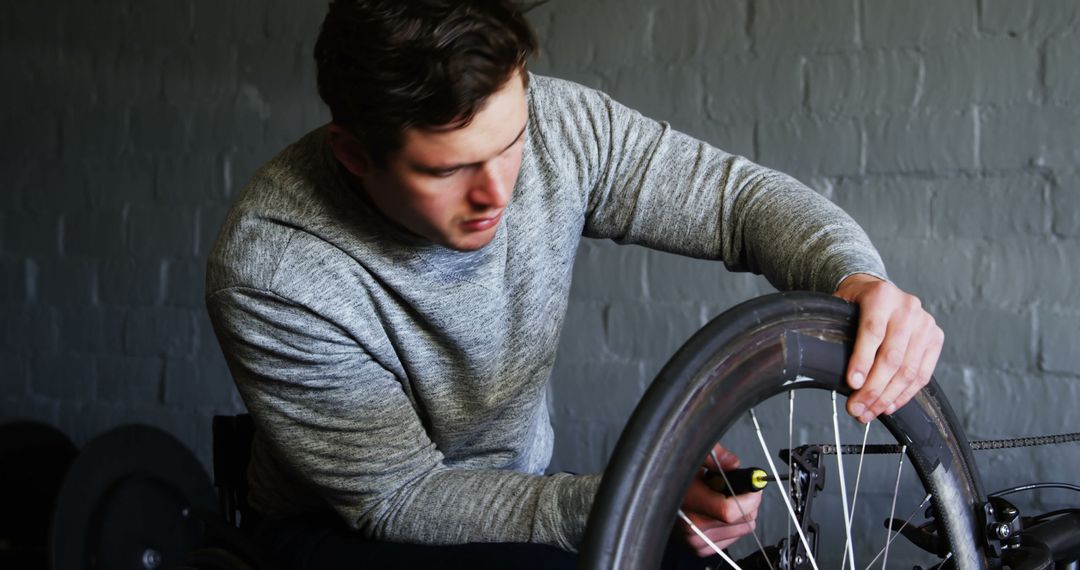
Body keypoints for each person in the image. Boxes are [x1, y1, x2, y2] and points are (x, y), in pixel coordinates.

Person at [205, 0, 944, 567]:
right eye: (449, 169)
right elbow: (400, 499)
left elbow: (735, 202)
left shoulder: (559, 125)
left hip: (519, 488)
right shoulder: (276, 268)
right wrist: (632, 496)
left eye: (512, 143)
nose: (500, 190)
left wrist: (857, 279)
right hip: (340, 529)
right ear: (354, 155)